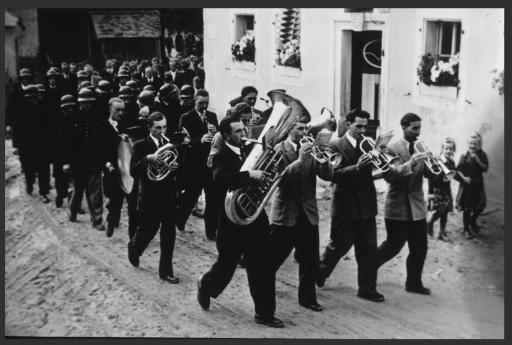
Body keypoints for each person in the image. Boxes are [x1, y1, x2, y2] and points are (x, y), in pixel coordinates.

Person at [197, 115, 284, 328]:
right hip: (231, 221)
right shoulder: (220, 156)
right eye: (238, 131)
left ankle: (265, 313)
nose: (244, 134)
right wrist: (248, 175)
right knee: (226, 266)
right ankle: (205, 286)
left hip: (254, 218)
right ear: (226, 135)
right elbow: (220, 179)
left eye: (244, 130)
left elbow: (264, 176)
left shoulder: (249, 149)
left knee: (263, 266)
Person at [315, 109, 385, 302]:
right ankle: (320, 272)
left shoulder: (368, 144)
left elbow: (376, 171)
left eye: (365, 126)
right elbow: (332, 175)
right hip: (346, 206)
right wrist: (358, 167)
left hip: (366, 206)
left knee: (368, 249)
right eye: (358, 126)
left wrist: (380, 159)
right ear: (347, 124)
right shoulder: (334, 145)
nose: (362, 130)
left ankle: (367, 288)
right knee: (338, 247)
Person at [270, 115, 331, 311]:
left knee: (310, 259)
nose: (305, 133)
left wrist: (323, 160)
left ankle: (307, 298)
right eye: (300, 129)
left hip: (307, 212)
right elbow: (280, 180)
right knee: (275, 258)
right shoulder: (279, 150)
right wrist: (299, 159)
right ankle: (263, 288)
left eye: (306, 129)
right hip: (286, 212)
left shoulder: (311, 149)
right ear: (289, 130)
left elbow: (328, 176)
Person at [370, 113, 433, 295]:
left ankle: (413, 283)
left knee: (420, 248)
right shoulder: (391, 148)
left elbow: (430, 175)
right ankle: (367, 269)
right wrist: (412, 162)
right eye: (414, 128)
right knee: (392, 246)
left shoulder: (421, 147)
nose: (418, 132)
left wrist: (432, 164)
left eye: (419, 128)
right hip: (398, 207)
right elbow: (391, 176)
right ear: (403, 127)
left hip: (417, 208)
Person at [128, 112, 181, 284]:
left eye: (164, 127)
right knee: (147, 231)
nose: (161, 130)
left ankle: (166, 271)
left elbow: (178, 167)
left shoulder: (170, 144)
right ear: (149, 127)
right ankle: (134, 248)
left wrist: (175, 167)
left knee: (169, 234)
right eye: (157, 127)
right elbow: (133, 171)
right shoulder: (140, 145)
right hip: (150, 197)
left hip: (169, 196)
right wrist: (146, 159)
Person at [177, 89, 219, 240]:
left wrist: (216, 132)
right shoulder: (186, 117)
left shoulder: (212, 116)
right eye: (201, 103)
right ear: (195, 101)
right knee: (191, 195)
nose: (204, 106)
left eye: (206, 103)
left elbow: (218, 139)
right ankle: (180, 220)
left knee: (212, 198)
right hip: (193, 164)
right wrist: (199, 140)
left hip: (209, 163)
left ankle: (211, 231)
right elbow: (183, 141)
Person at [63, 88, 105, 231]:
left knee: (96, 191)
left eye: (89, 103)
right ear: (79, 102)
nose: (87, 105)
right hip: (77, 161)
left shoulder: (97, 117)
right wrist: (67, 162)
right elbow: (66, 143)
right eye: (84, 103)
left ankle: (97, 219)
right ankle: (73, 211)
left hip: (93, 159)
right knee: (78, 190)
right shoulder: (71, 118)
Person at [92, 98, 135, 237]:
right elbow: (98, 149)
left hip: (128, 168)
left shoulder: (126, 125)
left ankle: (132, 233)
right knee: (116, 200)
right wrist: (106, 164)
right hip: (112, 169)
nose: (120, 113)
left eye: (123, 110)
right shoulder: (101, 126)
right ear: (110, 109)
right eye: (117, 109)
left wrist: (129, 140)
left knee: (131, 202)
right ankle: (111, 222)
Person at [12, 84, 51, 202]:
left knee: (44, 169)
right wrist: (16, 146)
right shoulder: (20, 110)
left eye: (34, 97)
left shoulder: (43, 108)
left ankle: (43, 192)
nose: (32, 100)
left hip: (41, 144)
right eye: (29, 98)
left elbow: (48, 127)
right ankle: (29, 183)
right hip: (26, 146)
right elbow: (17, 130)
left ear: (37, 97)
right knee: (29, 168)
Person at [426, 137, 461, 240]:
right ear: (442, 149)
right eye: (446, 149)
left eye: (451, 149)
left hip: (446, 190)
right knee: (440, 211)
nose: (449, 151)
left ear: (453, 150)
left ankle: (441, 232)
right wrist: (430, 192)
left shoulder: (451, 162)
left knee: (445, 212)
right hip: (437, 189)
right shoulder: (437, 161)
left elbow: (454, 174)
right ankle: (429, 222)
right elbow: (431, 178)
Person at [455, 132, 489, 238]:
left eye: (475, 144)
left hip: (478, 184)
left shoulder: (482, 155)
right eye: (471, 144)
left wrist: (477, 160)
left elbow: (485, 168)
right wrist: (464, 178)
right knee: (467, 208)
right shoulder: (464, 156)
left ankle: (472, 220)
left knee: (481, 205)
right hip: (467, 185)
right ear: (467, 143)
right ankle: (466, 229)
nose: (473, 146)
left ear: (479, 145)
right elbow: (458, 171)